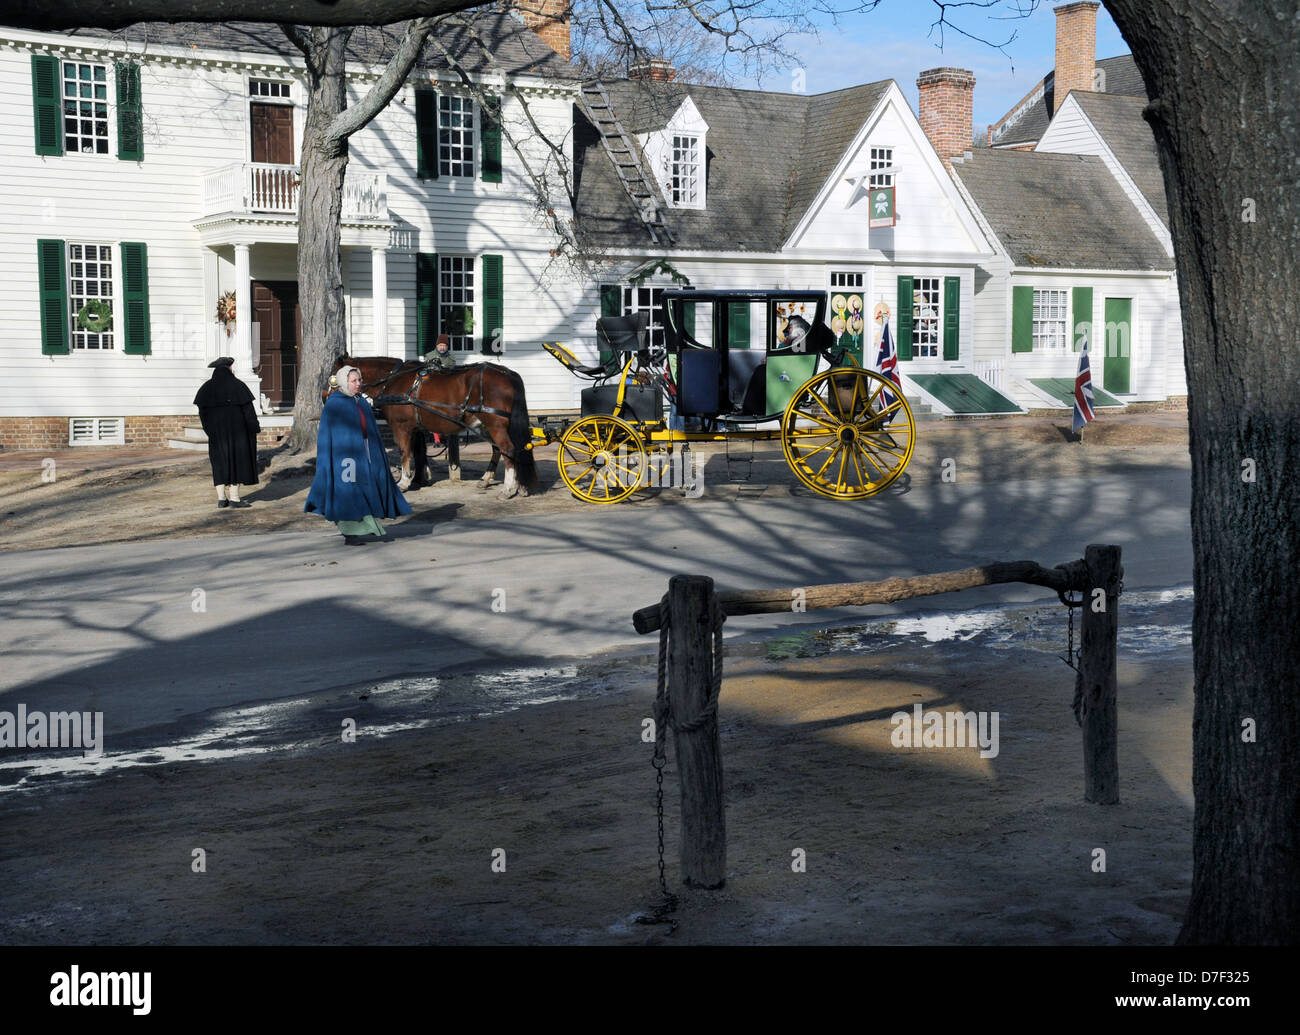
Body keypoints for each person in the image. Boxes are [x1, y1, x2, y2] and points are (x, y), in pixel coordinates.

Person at [305, 365, 412, 544]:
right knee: (348, 492)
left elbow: (369, 430)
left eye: (359, 380)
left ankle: (365, 527)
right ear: (343, 382)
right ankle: (351, 533)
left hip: (364, 453)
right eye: (353, 381)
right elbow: (327, 436)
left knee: (363, 489)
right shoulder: (335, 403)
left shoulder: (360, 401)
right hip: (343, 458)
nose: (358, 384)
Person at [194, 356, 260, 509]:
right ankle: (235, 499)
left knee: (219, 463)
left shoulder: (207, 388)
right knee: (236, 462)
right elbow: (248, 412)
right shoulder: (238, 386)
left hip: (217, 435)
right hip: (239, 434)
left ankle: (221, 499)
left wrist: (210, 430)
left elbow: (202, 413)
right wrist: (254, 428)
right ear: (229, 368)